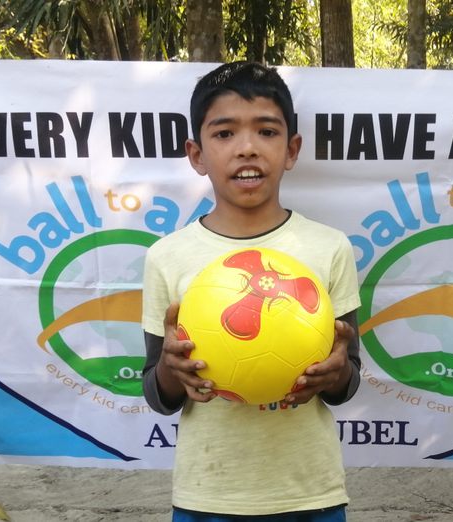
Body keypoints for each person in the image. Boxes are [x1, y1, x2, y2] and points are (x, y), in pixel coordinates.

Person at [140, 61, 362, 521]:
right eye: (224, 134)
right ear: (197, 155)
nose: (247, 148)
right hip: (208, 497)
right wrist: (171, 369)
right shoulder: (168, 256)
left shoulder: (329, 248)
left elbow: (347, 382)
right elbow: (158, 395)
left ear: (291, 149)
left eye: (266, 131)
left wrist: (336, 373)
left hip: (310, 494)